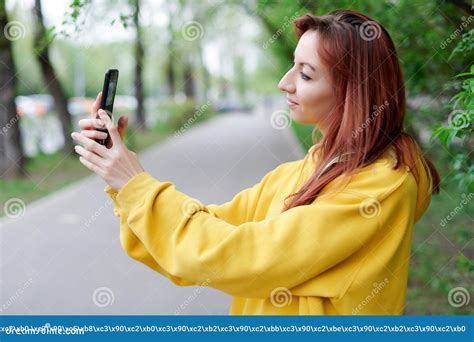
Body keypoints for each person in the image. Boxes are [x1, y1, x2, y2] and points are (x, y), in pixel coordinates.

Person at [71, 9, 440, 315]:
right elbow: (206, 235)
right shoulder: (307, 168)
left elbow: (241, 258)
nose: (285, 82)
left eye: (306, 74)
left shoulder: (379, 188)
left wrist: (137, 186)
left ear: (354, 91)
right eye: (293, 66)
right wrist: (126, 179)